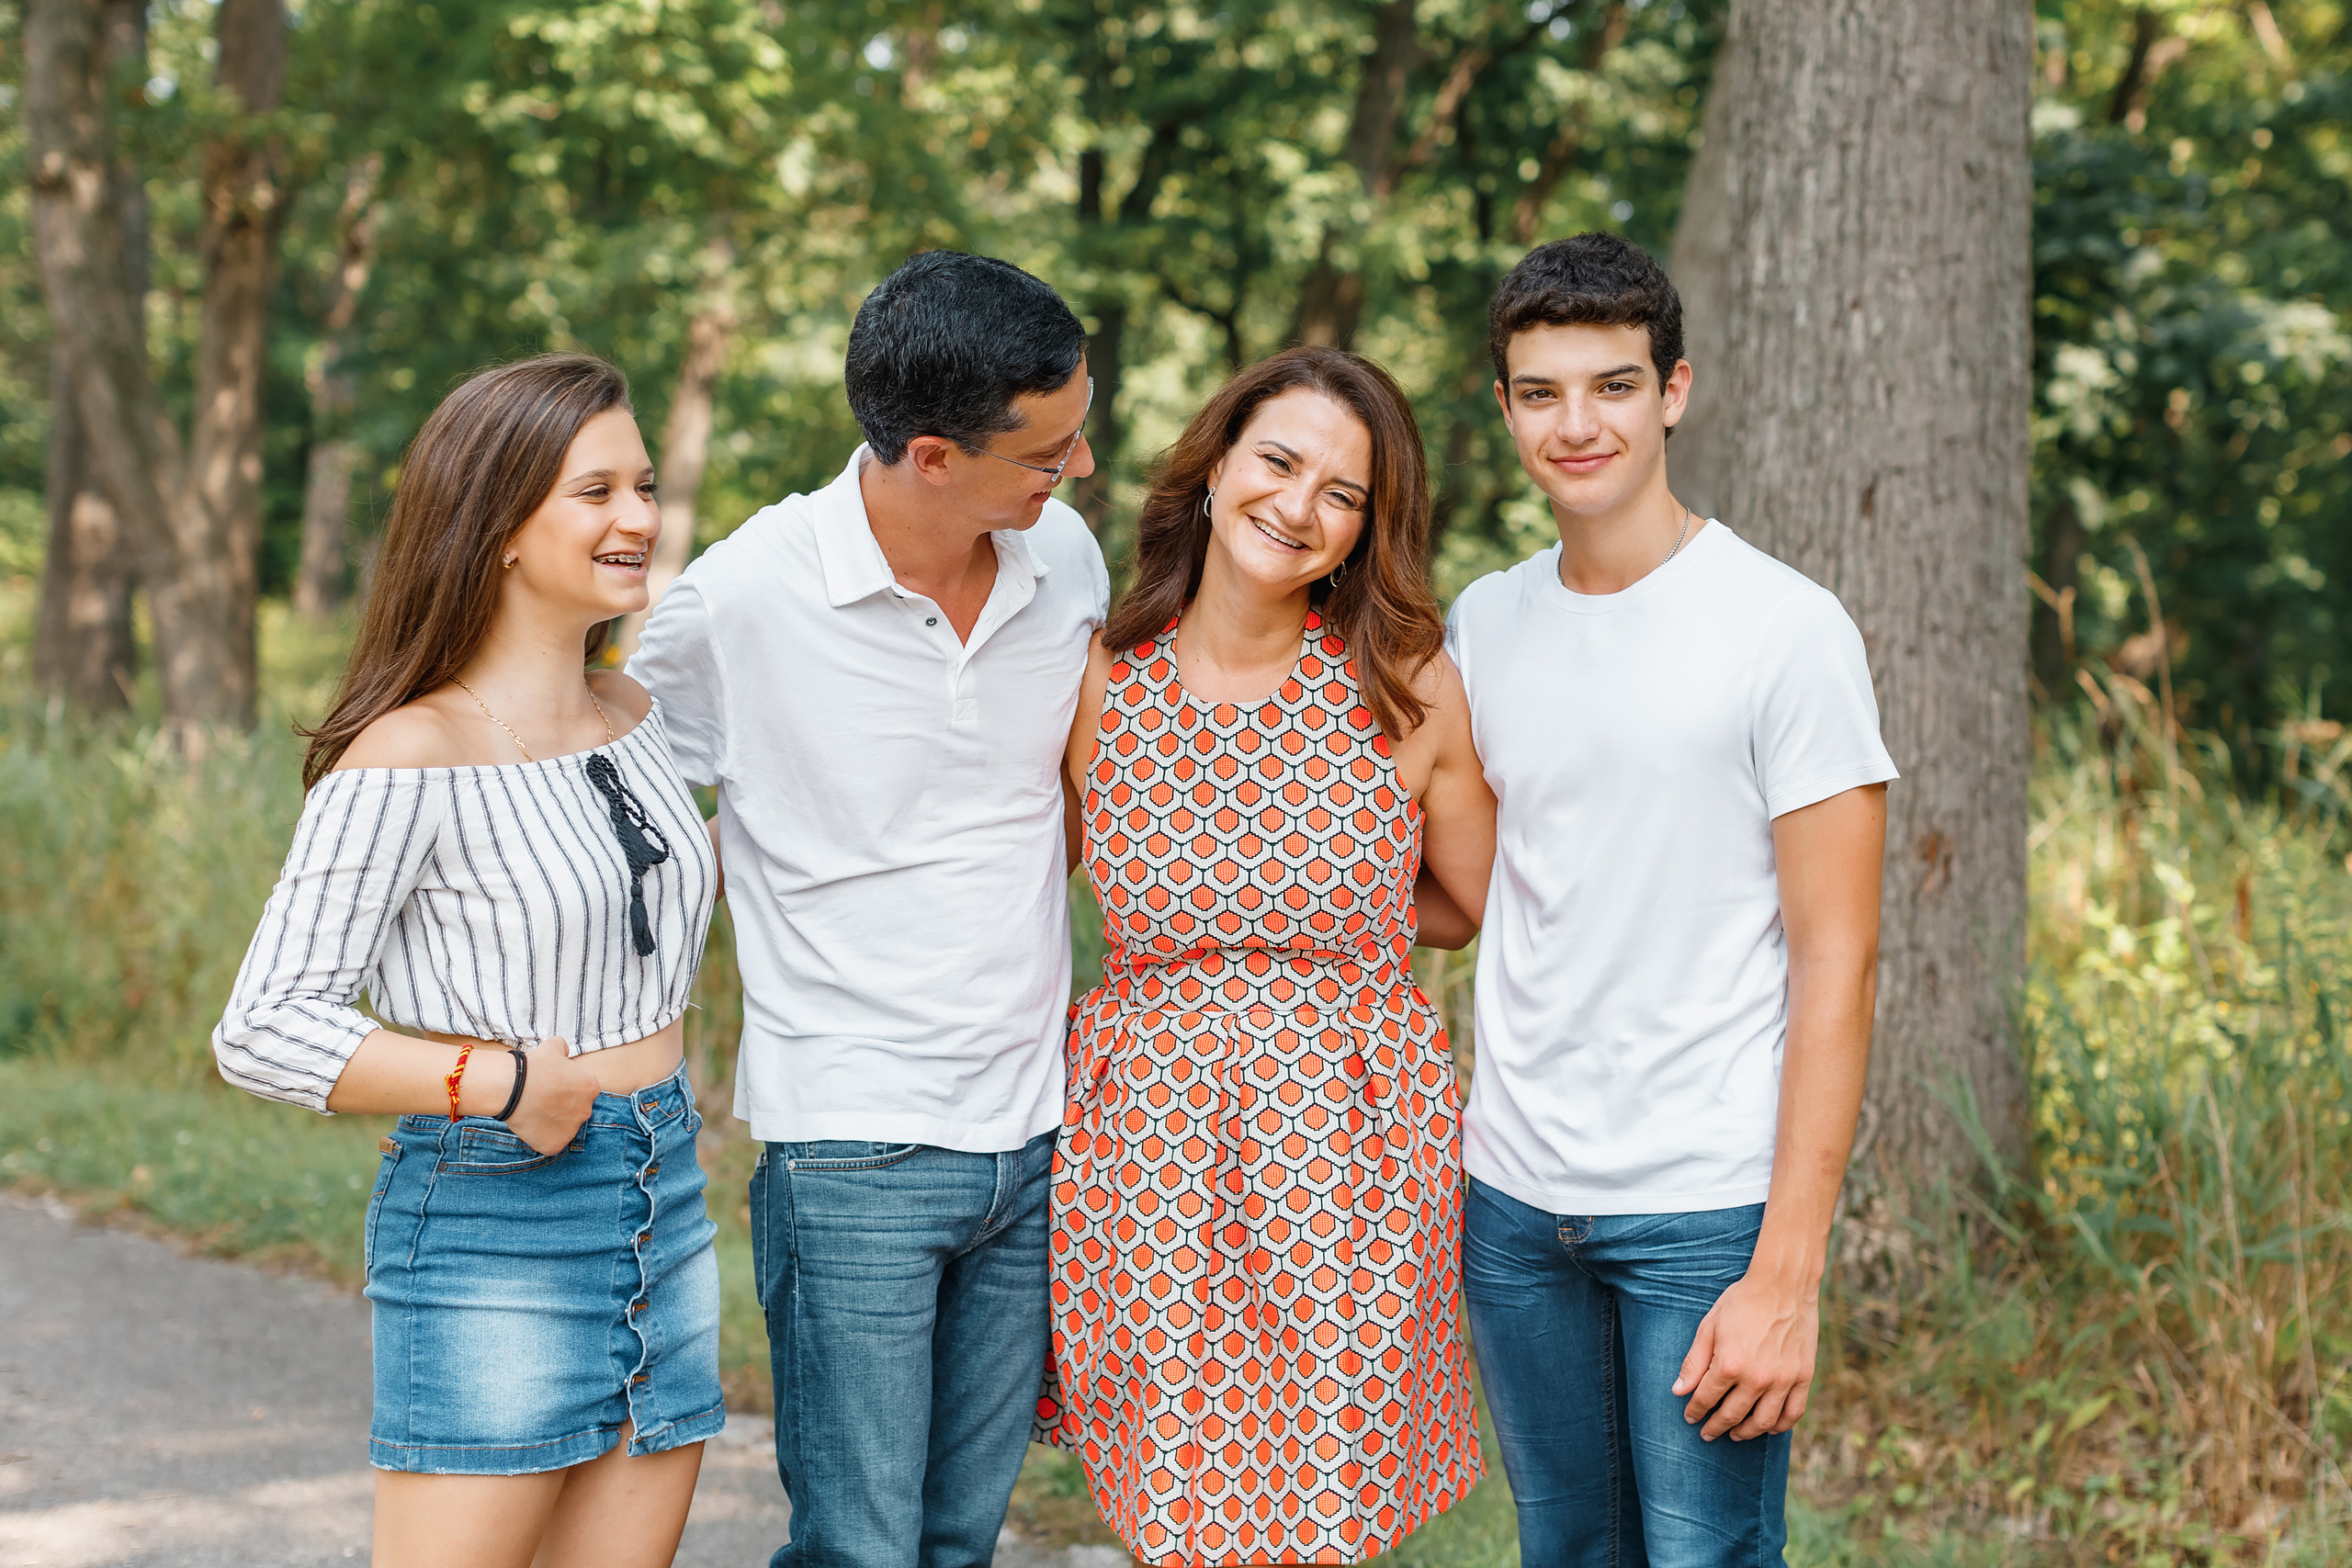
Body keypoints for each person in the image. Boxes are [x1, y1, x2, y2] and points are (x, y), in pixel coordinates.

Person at [627, 250, 1109, 1568]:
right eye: (1047, 452)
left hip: (1035, 1132)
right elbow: (630, 824)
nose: (1076, 471)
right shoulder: (742, 597)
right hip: (851, 1147)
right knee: (860, 1545)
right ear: (934, 457)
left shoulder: (1061, 554)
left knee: (960, 1538)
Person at [212, 353, 725, 1568]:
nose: (640, 519)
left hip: (666, 1189)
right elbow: (262, 1025)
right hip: (501, 1207)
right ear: (498, 524)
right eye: (595, 492)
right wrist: (489, 1083)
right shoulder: (411, 750)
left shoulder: (638, 716)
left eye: (643, 485)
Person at [1443, 231, 1896, 1565]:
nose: (1576, 424)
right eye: (1541, 392)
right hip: (1515, 1202)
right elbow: (1449, 887)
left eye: (1613, 385)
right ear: (1508, 408)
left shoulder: (1785, 629)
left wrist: (1788, 1276)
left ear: (1675, 391)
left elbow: (1839, 964)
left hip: (1704, 1207)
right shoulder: (1484, 621)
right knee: (1565, 1554)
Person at [1035, 345, 1495, 1566]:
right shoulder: (1096, 679)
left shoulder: (1407, 687)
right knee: (1181, 1497)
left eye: (1341, 494)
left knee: (1321, 1509)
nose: (1297, 507)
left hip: (1350, 1149)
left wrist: (1313, 964)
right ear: (1217, 465)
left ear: (1366, 529)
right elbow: (1013, 882)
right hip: (1150, 1149)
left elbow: (1460, 901)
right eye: (1279, 463)